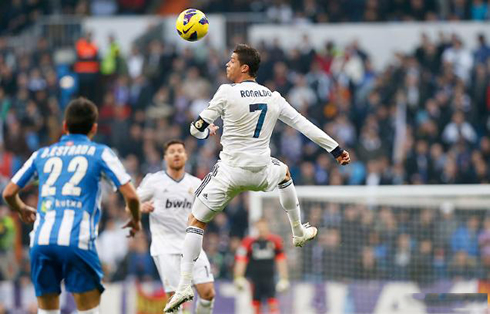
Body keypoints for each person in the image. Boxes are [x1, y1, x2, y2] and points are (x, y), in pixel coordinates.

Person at [164, 44, 350, 312]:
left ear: (244, 68)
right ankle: (298, 231)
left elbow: (195, 130)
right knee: (285, 172)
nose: (227, 65)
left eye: (231, 61)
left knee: (195, 221)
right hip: (261, 171)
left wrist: (206, 131)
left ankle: (183, 286)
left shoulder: (226, 92)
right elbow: (303, 124)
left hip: (229, 172)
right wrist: (336, 149)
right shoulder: (273, 97)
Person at [2, 97, 141, 314]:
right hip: (77, 240)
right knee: (88, 310)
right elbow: (131, 196)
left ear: (64, 126)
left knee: (47, 311)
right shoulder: (100, 152)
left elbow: (9, 192)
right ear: (94, 128)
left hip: (42, 240)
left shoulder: (42, 154)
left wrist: (21, 208)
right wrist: (135, 219)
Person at [136, 139, 215, 314]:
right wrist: (140, 207)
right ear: (165, 157)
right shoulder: (153, 181)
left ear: (186, 156)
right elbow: (130, 204)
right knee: (175, 301)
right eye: (172, 151)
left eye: (180, 150)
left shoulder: (196, 184)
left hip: (191, 245)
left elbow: (207, 212)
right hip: (165, 246)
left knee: (208, 292)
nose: (177, 154)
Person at [234, 218, 289, 314]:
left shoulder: (275, 241)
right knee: (256, 306)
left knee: (273, 304)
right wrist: (238, 277)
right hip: (255, 280)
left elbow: (281, 260)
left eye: (263, 226)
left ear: (267, 226)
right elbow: (241, 260)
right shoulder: (248, 242)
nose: (261, 229)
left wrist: (284, 278)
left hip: (270, 278)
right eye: (259, 227)